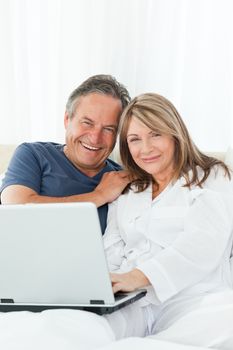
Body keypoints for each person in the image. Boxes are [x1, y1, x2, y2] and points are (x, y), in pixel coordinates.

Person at [101, 93, 233, 345]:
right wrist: (103, 282)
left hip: (193, 299)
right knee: (71, 323)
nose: (146, 148)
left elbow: (203, 243)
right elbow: (112, 247)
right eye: (135, 139)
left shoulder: (212, 176)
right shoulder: (128, 190)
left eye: (155, 135)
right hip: (133, 301)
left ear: (175, 134)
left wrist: (140, 275)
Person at [0, 74, 131, 233]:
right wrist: (100, 196)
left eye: (108, 129)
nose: (95, 138)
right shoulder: (33, 155)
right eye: (87, 123)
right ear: (67, 119)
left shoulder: (121, 180)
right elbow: (16, 208)